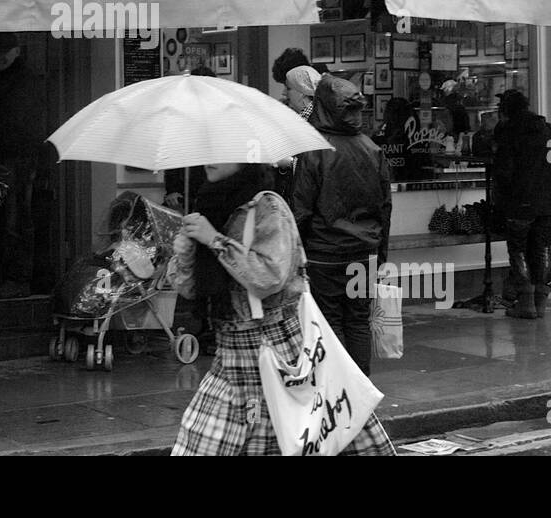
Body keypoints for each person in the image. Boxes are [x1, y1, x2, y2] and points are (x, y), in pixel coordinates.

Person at [169, 160, 394, 456]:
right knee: (200, 444)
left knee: (297, 435)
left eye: (222, 153)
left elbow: (269, 277)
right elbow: (189, 288)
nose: (211, 160)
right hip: (232, 360)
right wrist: (187, 248)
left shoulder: (267, 206)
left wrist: (214, 240)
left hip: (278, 352)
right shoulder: (209, 207)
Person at [291, 72, 392, 376]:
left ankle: (337, 388)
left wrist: (297, 253)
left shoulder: (314, 151)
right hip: (363, 252)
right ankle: (361, 383)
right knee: (358, 320)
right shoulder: (372, 150)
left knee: (330, 321)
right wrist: (382, 253)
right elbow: (385, 206)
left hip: (324, 253)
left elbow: (301, 209)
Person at [0, 32, 46, 299]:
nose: (0, 56)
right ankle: (9, 277)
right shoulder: (20, 80)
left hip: (15, 158)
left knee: (12, 219)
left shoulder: (19, 81)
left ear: (17, 51)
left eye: (5, 51)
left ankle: (15, 278)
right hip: (10, 157)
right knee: (6, 218)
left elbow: (14, 123)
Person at [492, 89, 551, 319]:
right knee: (542, 245)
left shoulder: (509, 131)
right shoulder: (547, 129)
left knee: (519, 248)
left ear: (506, 110)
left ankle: (525, 302)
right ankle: (541, 300)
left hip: (520, 200)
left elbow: (504, 170)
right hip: (548, 200)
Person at [162, 65, 216, 212]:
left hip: (212, 193)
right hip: (185, 195)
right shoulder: (182, 118)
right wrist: (172, 190)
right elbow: (173, 155)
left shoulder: (220, 120)